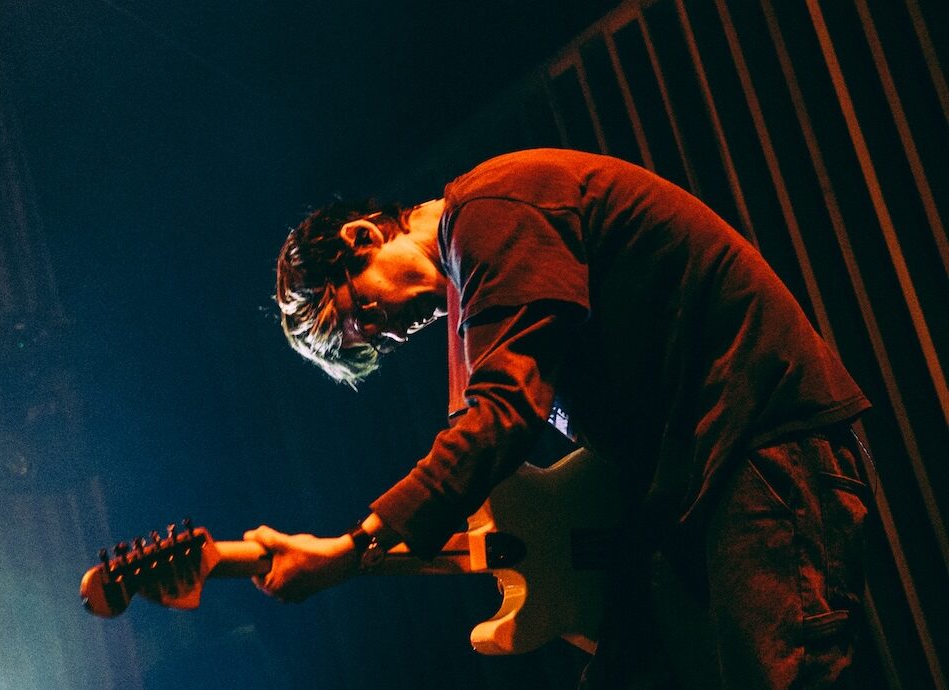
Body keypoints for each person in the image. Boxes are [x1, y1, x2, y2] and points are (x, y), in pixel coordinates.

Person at [246, 149, 871, 689]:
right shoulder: (471, 291)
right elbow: (482, 447)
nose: (390, 335)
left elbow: (502, 418)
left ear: (362, 238)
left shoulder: (492, 210)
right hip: (691, 487)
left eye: (367, 314)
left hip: (761, 449)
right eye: (375, 344)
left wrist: (352, 548)